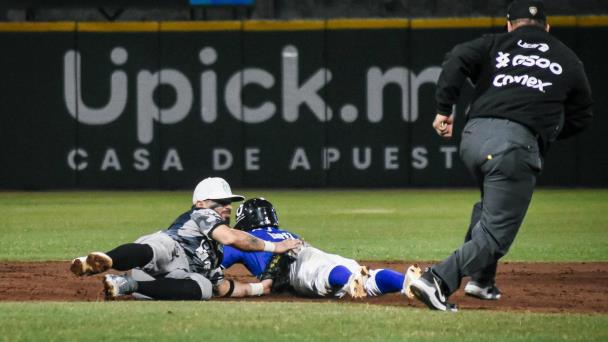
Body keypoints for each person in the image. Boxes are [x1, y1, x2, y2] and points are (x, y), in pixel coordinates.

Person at [409, 0, 593, 312]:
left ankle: (481, 280)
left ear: (510, 25)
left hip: (474, 137)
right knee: (496, 235)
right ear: (547, 28)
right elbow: (582, 115)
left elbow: (456, 59)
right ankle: (437, 279)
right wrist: (547, 130)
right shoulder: (567, 58)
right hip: (514, 145)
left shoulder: (495, 43)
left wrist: (444, 109)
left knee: (489, 206)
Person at [70, 177, 302, 300]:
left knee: (204, 288)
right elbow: (230, 237)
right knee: (158, 248)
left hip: (164, 278)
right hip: (166, 250)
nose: (226, 207)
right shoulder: (202, 215)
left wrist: (261, 288)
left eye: (228, 203)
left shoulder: (216, 252)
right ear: (200, 203)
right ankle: (97, 262)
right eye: (219, 202)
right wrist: (275, 246)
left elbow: (223, 288)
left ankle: (126, 285)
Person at [222, 198, 422, 299]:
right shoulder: (286, 232)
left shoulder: (244, 239)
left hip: (293, 266)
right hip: (315, 254)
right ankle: (405, 281)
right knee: (367, 279)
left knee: (327, 275)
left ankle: (350, 280)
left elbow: (215, 264)